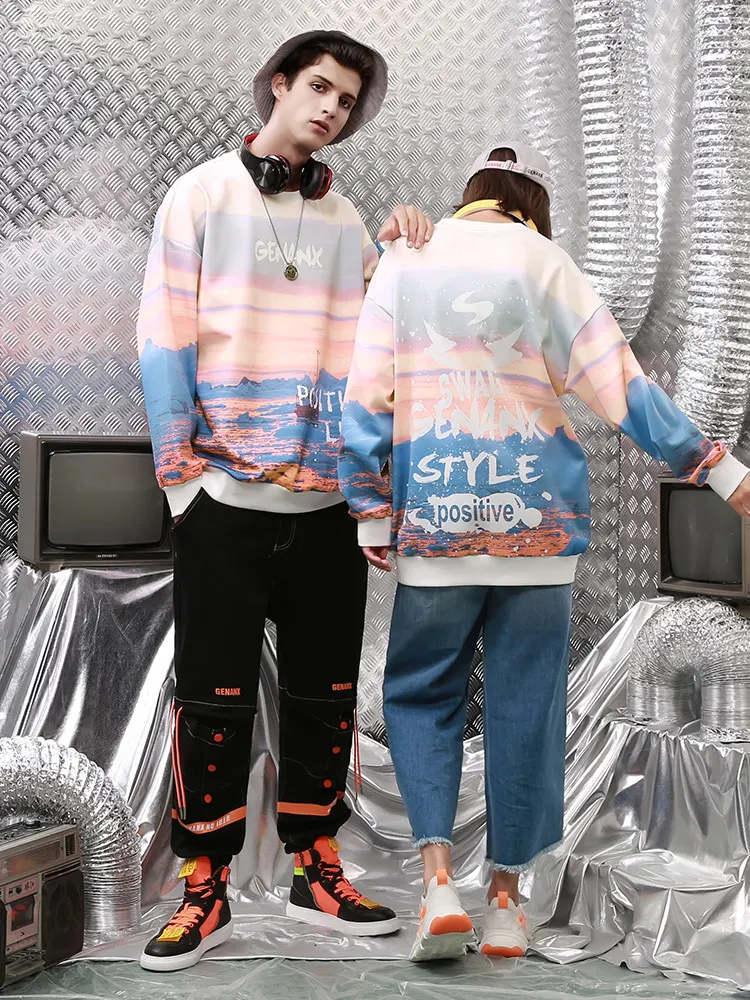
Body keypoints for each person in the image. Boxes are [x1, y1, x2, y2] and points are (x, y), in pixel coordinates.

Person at [338, 140, 750, 962]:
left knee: (421, 697)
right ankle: (505, 904)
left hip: (439, 522)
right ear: (534, 208)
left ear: (471, 195)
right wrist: (720, 470)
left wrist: (370, 513)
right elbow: (623, 388)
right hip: (539, 529)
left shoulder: (408, 258)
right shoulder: (550, 263)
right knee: (527, 708)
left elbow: (366, 392)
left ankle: (436, 886)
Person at [136, 30, 433, 972]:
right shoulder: (200, 195)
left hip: (327, 509)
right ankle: (204, 887)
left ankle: (317, 868)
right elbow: (163, 334)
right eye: (319, 88)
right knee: (211, 702)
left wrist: (404, 251)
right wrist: (182, 481)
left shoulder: (345, 221)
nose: (332, 109)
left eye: (346, 100)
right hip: (223, 499)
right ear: (278, 84)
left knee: (325, 697)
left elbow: (379, 339)